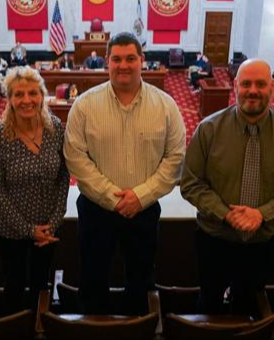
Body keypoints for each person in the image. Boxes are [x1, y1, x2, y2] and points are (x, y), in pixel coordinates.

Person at [180, 59, 274, 317]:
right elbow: (190, 184)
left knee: (247, 308)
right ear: (235, 86)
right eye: (246, 84)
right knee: (208, 305)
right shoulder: (208, 130)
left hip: (262, 244)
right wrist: (227, 213)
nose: (253, 90)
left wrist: (261, 214)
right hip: (214, 240)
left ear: (273, 87)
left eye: (261, 84)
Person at [64, 32, 186, 315]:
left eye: (131, 58)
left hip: (143, 211)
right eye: (117, 59)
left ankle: (136, 328)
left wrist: (140, 197)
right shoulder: (84, 104)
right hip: (96, 210)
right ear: (107, 62)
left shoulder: (166, 106)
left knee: (140, 282)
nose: (124, 65)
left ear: (142, 61)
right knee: (93, 280)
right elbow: (75, 157)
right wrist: (113, 198)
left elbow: (175, 158)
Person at [0, 66, 69, 314]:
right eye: (19, 94)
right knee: (14, 287)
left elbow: (64, 177)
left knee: (40, 288)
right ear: (9, 99)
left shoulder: (55, 128)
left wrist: (53, 222)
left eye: (33, 93)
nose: (27, 100)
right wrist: (29, 230)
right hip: (11, 232)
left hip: (48, 231)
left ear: (42, 95)